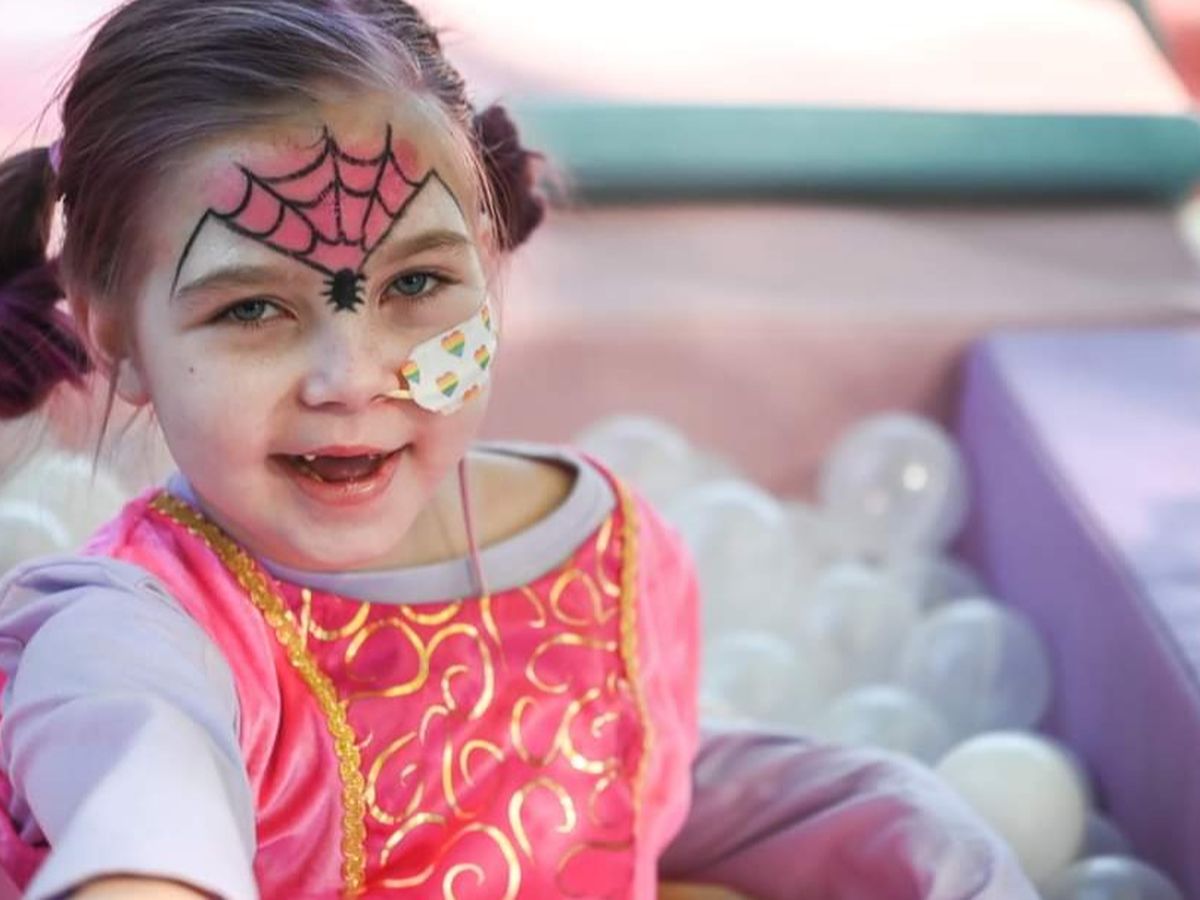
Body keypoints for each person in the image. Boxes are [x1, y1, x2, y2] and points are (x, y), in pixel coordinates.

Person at [0, 2, 1039, 898]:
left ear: (490, 266)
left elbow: (631, 782)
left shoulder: (608, 554)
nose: (351, 379)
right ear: (114, 337)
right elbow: (147, 793)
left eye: (416, 285)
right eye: (252, 308)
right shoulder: (128, 632)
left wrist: (923, 827)